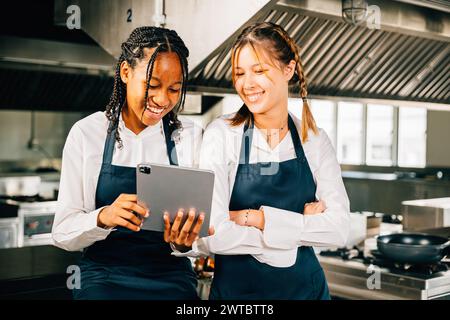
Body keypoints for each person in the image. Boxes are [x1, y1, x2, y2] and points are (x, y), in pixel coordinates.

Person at [165, 22, 350, 300]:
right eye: (239, 73)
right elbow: (214, 234)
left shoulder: (313, 139)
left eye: (259, 71)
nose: (246, 84)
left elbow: (339, 230)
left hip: (307, 293)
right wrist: (299, 226)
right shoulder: (223, 134)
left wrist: (255, 218)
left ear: (288, 69)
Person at [52, 26, 204, 300]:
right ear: (125, 72)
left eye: (174, 89)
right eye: (153, 85)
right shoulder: (87, 134)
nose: (162, 99)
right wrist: (103, 217)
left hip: (170, 277)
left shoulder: (191, 137)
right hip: (103, 275)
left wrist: (183, 244)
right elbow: (63, 232)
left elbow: (205, 233)